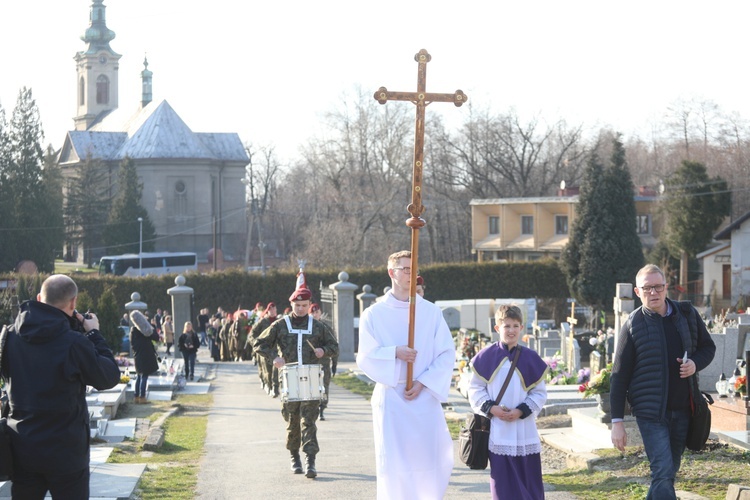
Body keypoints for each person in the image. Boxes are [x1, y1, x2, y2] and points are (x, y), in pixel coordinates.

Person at [1, 274, 120, 498]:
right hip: (66, 451)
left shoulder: (8, 336)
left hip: (23, 445)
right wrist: (93, 332)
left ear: (38, 297)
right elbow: (109, 376)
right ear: (73, 302)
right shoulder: (74, 341)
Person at [610, 264, 716, 500]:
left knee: (668, 472)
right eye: (647, 288)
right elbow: (619, 376)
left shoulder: (687, 314)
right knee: (663, 470)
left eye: (658, 286)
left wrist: (695, 364)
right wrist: (617, 421)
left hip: (684, 410)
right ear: (638, 292)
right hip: (651, 414)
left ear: (666, 287)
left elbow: (708, 348)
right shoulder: (633, 325)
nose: (653, 293)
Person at [356, 250, 455, 499]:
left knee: (429, 459)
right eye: (405, 269)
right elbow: (365, 356)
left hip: (423, 396)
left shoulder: (431, 312)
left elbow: (446, 353)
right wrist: (394, 353)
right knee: (394, 464)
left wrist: (423, 381)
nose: (411, 274)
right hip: (392, 398)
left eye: (415, 269)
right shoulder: (374, 314)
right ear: (392, 273)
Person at [255, 285, 339, 479]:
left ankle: (311, 460)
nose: (300, 308)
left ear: (310, 305)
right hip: (289, 378)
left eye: (304, 305)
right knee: (292, 421)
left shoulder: (318, 326)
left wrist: (323, 351)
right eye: (297, 305)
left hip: (310, 378)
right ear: (291, 304)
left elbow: (334, 346)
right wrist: (274, 357)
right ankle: (294, 456)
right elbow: (259, 343)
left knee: (309, 421)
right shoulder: (280, 325)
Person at [468, 304, 549, 500]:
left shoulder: (530, 357)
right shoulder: (486, 357)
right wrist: (491, 408)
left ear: (522, 328)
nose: (511, 330)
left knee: (528, 478)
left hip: (524, 428)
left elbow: (539, 393)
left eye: (515, 326)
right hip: (498, 429)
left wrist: (521, 411)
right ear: (497, 328)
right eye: (506, 326)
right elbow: (475, 389)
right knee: (503, 482)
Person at [310, 303, 337, 420]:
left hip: (324, 362)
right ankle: (314, 408)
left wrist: (334, 363)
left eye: (317, 312)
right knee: (313, 386)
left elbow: (334, 345)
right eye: (313, 312)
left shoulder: (326, 327)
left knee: (324, 386)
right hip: (311, 363)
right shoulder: (306, 327)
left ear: (320, 313)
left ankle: (322, 408)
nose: (315, 314)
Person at [130, 310, 161, 403]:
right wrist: (151, 326)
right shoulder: (145, 330)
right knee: (144, 376)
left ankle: (136, 396)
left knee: (139, 376)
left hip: (137, 355)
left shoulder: (133, 330)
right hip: (146, 354)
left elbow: (133, 344)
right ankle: (142, 396)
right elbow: (156, 337)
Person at [250, 302, 278, 395]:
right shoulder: (263, 322)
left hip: (276, 350)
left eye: (274, 309)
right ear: (268, 311)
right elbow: (252, 334)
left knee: (275, 370)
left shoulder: (278, 321)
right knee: (266, 370)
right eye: (271, 309)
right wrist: (257, 344)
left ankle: (274, 388)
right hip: (264, 350)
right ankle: (268, 385)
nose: (273, 311)